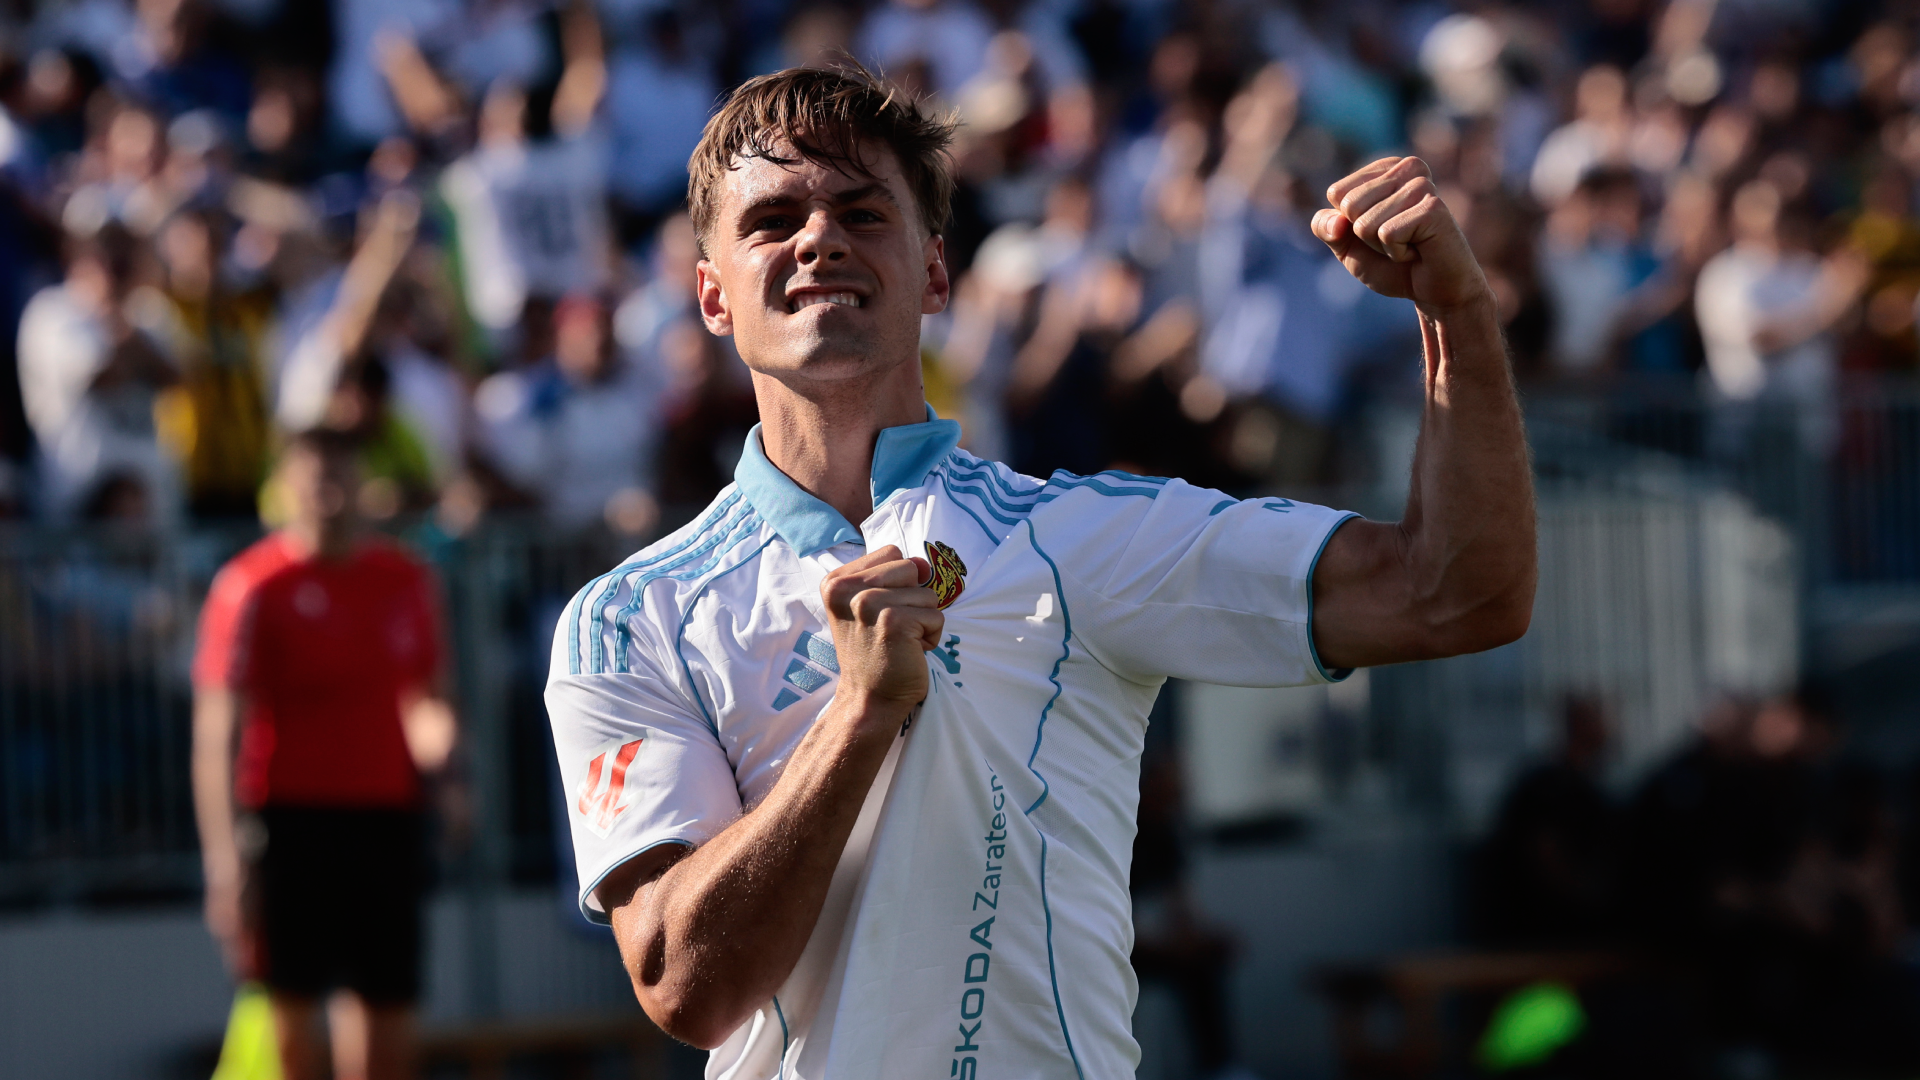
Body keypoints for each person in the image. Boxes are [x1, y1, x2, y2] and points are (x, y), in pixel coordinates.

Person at [544, 64, 1533, 1077]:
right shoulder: (630, 616)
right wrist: (859, 715)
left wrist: (1456, 314)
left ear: (935, 274)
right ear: (712, 293)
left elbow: (1458, 594)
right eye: (772, 219)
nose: (820, 238)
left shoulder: (1083, 535)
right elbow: (683, 986)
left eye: (863, 212)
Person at [191, 428, 457, 1080]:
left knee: (387, 1005)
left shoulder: (405, 579)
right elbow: (218, 732)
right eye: (315, 482)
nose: (330, 497)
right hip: (290, 824)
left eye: (341, 478)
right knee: (290, 1016)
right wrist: (225, 860)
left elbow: (427, 698)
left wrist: (452, 770)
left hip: (385, 819)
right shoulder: (253, 585)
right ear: (285, 488)